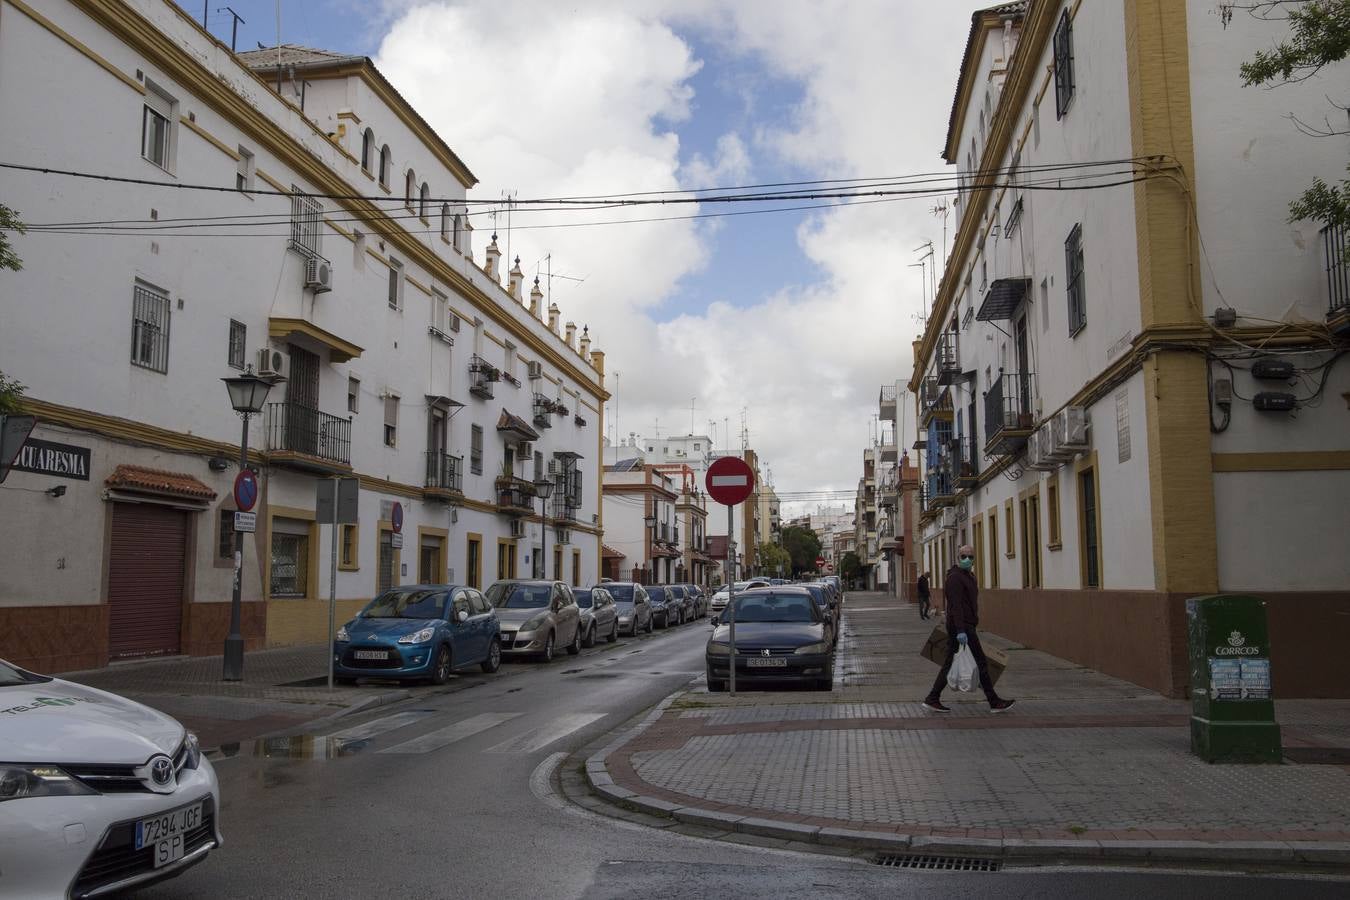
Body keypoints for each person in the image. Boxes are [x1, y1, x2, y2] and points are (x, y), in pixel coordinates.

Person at [922, 544, 1014, 713]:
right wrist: (961, 630)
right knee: (981, 662)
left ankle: (932, 698)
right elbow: (955, 606)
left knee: (950, 662)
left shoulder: (968, 576)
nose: (967, 559)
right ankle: (994, 702)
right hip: (962, 627)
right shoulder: (955, 577)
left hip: (966, 625)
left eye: (971, 557)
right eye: (964, 556)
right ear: (958, 558)